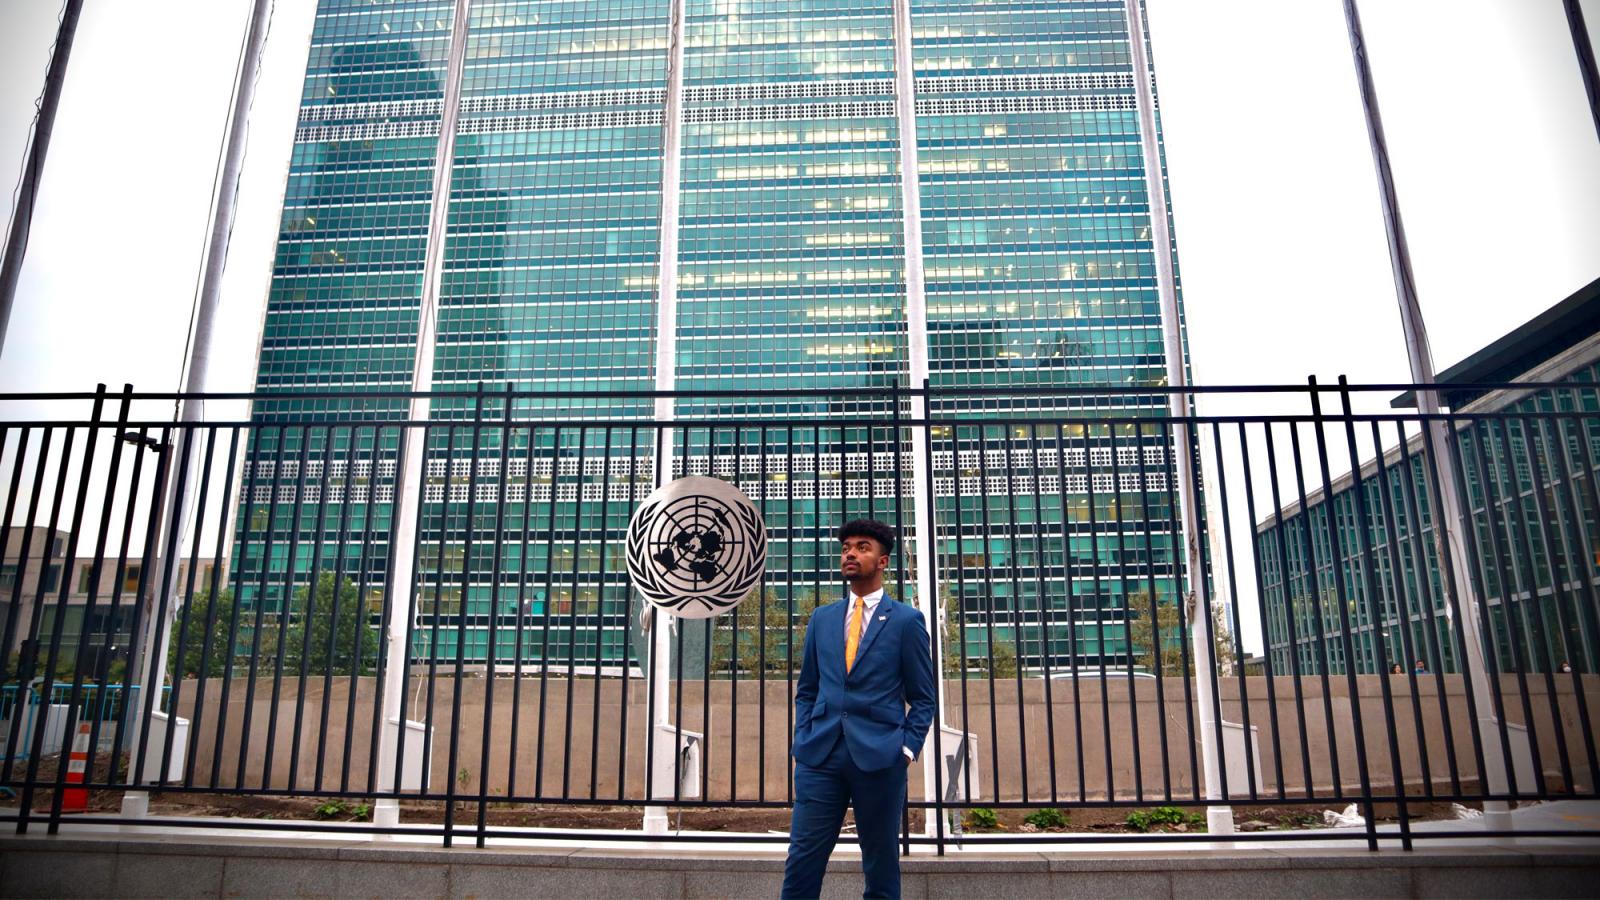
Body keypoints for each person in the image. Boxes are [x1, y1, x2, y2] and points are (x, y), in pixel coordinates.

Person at [782, 519, 937, 900]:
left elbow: (923, 697)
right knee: (803, 857)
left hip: (881, 758)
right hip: (820, 755)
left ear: (883, 561)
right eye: (847, 546)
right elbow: (808, 689)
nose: (850, 553)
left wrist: (905, 749)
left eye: (862, 547)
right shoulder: (822, 618)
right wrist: (804, 735)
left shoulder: (906, 621)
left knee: (881, 861)